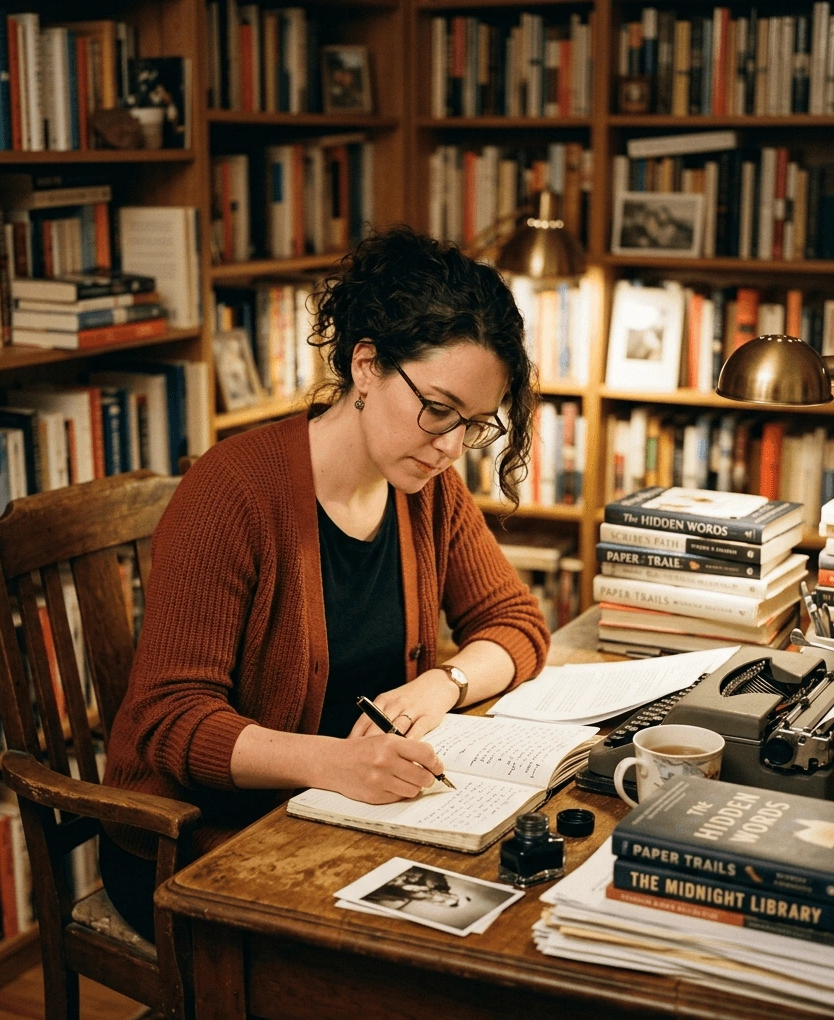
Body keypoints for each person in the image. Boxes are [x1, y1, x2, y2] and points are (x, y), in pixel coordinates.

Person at [99, 226, 551, 940]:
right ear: (366, 366)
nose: (450, 445)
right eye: (437, 409)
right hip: (199, 846)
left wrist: (444, 685)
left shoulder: (428, 486)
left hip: (345, 821)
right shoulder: (233, 493)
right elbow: (169, 717)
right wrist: (335, 765)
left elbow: (516, 625)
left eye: (473, 424)